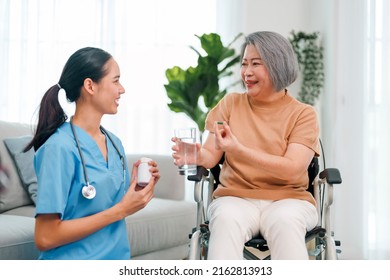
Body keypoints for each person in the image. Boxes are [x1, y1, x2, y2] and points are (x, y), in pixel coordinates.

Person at [172, 31, 320, 260]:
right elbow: (211, 154)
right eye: (244, 64)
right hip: (236, 198)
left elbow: (292, 167)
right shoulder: (230, 104)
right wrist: (195, 155)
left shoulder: (303, 114)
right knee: (225, 220)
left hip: (289, 200)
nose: (246, 72)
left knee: (285, 222)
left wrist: (239, 150)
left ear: (278, 65)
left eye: (256, 64)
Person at [25, 47, 160, 260]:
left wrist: (135, 188)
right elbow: (45, 237)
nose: (122, 89)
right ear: (90, 85)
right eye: (115, 81)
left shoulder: (115, 144)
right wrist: (121, 210)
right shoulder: (59, 148)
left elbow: (109, 204)